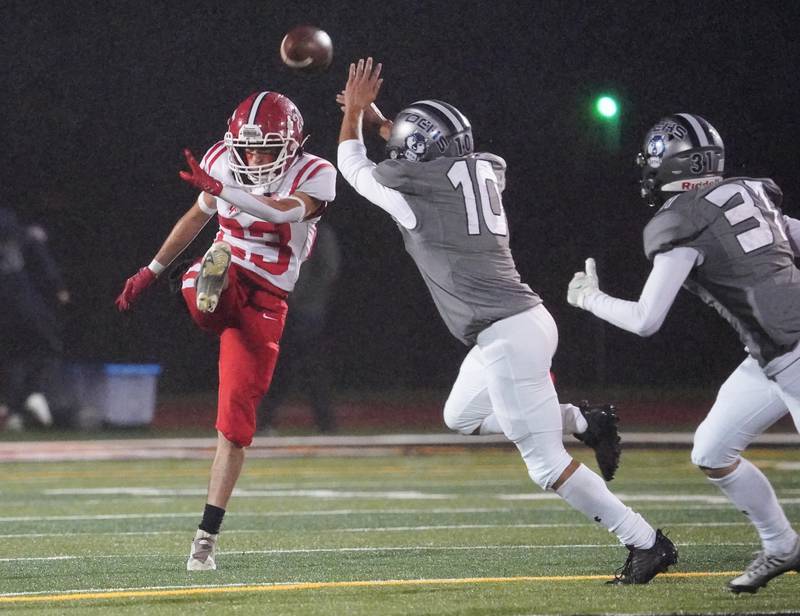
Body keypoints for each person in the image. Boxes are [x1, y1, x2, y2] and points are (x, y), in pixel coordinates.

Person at [336, 57, 676, 584]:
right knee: (461, 416)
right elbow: (427, 152)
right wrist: (376, 117)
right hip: (519, 324)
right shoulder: (485, 168)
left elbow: (352, 166)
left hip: (507, 334)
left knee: (544, 465)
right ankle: (586, 422)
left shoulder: (413, 201)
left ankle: (645, 541)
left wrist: (355, 114)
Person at [567, 113, 800, 593]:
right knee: (713, 451)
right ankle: (782, 546)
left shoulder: (682, 219)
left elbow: (645, 320)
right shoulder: (748, 194)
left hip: (793, 348)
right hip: (772, 354)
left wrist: (588, 297)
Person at [115, 90, 336, 571]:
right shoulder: (221, 161)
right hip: (231, 270)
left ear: (293, 145)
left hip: (269, 299)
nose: (254, 157)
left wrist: (221, 191)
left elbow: (279, 211)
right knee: (208, 287)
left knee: (234, 429)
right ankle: (203, 281)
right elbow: (198, 215)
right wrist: (149, 272)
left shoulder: (316, 173)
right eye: (247, 148)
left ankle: (205, 541)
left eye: (266, 148)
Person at [257, 220, 341, 434]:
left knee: (313, 369)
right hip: (282, 310)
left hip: (307, 312)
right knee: (277, 369)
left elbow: (328, 270)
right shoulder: (278, 231)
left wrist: (302, 298)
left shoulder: (320, 233)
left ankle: (326, 425)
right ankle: (264, 422)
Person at [0, 206, 70, 430]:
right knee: (47, 346)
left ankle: (13, 405)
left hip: (13, 308)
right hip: (23, 306)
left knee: (14, 356)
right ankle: (30, 394)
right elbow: (43, 261)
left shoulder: (21, 237)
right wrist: (58, 287)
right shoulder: (23, 237)